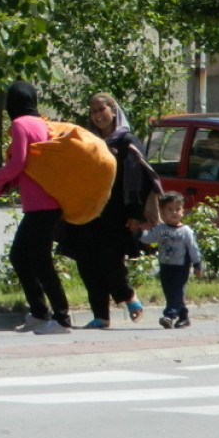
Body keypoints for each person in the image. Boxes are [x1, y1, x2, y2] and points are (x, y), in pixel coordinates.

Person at [0, 81, 71, 335]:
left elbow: (17, 164)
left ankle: (62, 318)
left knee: (40, 262)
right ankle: (40, 313)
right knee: (20, 257)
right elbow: (26, 169)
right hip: (44, 204)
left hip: (42, 205)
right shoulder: (41, 123)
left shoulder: (20, 124)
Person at [63, 93, 151, 329]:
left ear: (114, 111)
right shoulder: (88, 140)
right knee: (86, 261)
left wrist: (135, 214)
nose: (97, 115)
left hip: (117, 213)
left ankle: (128, 296)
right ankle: (101, 316)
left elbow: (138, 179)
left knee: (110, 260)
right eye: (93, 111)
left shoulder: (127, 141)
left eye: (102, 109)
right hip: (90, 210)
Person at [139, 192, 203, 329]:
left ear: (183, 211)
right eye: (170, 209)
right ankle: (184, 317)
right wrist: (138, 232)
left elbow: (193, 249)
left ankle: (169, 316)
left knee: (177, 292)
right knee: (171, 293)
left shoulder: (185, 231)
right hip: (165, 266)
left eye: (178, 209)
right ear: (162, 211)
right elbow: (148, 238)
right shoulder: (161, 229)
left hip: (180, 267)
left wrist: (197, 264)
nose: (174, 212)